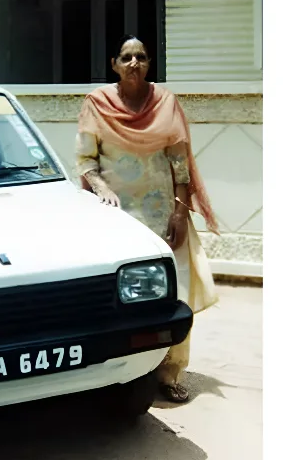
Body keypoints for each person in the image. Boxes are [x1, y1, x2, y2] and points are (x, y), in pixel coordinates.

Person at [75, 35, 220, 403]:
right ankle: (119, 373)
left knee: (176, 293)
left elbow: (179, 163)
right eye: (126, 57)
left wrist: (179, 211)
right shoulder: (98, 103)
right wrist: (99, 186)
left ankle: (170, 374)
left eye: (141, 56)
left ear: (149, 62)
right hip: (117, 218)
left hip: (162, 217)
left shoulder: (165, 102)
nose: (134, 63)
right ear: (114, 64)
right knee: (121, 298)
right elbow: (86, 160)